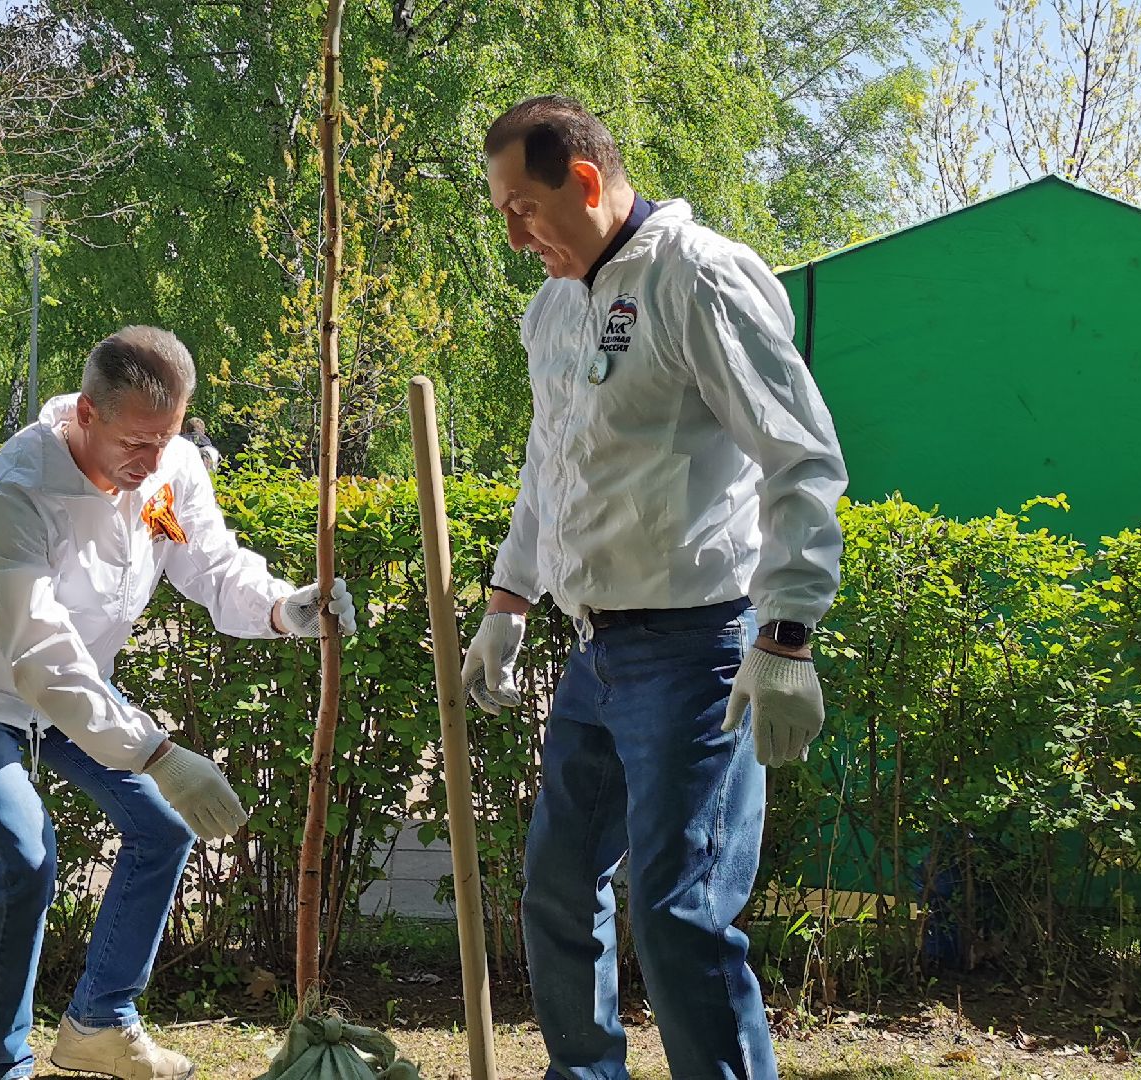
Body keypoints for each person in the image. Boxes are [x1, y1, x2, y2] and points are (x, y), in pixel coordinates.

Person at [460, 96, 847, 1079]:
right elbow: (547, 469)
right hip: (595, 652)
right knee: (554, 887)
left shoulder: (698, 277)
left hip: (700, 648)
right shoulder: (551, 308)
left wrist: (789, 633)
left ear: (583, 182)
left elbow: (797, 458)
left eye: (520, 208)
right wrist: (507, 605)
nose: (512, 234)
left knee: (678, 914)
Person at [0, 325, 356, 1080]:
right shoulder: (20, 484)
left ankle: (99, 1024)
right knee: (24, 855)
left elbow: (210, 564)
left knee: (162, 827)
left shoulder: (165, 470)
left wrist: (283, 608)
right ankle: (2, 1068)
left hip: (74, 689)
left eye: (167, 439)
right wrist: (156, 752)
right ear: (86, 412)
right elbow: (37, 650)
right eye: (135, 443)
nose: (150, 463)